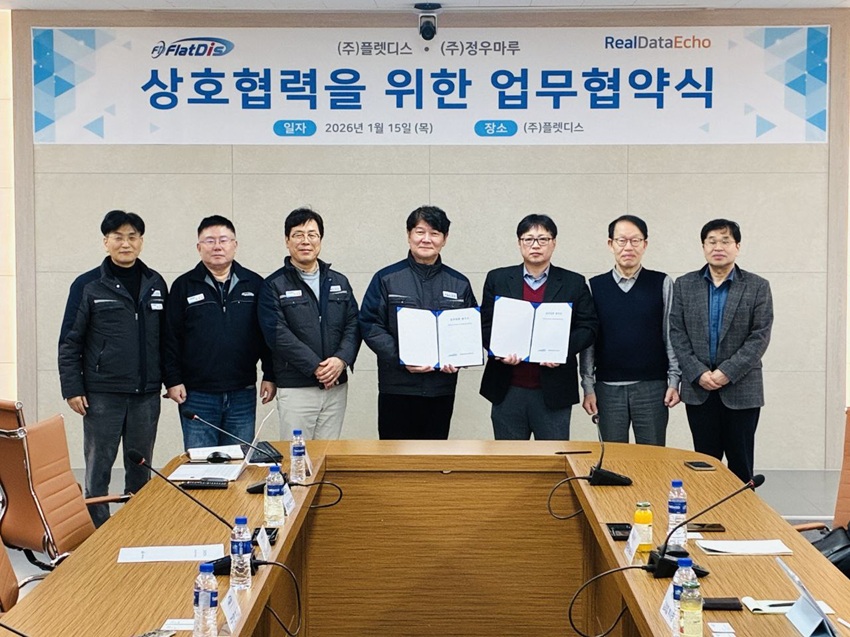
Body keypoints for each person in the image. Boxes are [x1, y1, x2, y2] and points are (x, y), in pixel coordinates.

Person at [58, 210, 168, 527]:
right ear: (106, 242)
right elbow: (70, 341)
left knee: (140, 470)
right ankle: (98, 535)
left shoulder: (156, 283)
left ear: (141, 242)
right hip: (102, 395)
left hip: (146, 395)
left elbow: (167, 339)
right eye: (118, 237)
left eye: (132, 237)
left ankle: (136, 530)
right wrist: (72, 388)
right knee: (98, 471)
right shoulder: (88, 285)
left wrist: (170, 380)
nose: (125, 243)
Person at [359, 205, 477, 440]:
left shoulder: (459, 283)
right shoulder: (386, 278)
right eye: (420, 232)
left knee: (434, 455)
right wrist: (402, 357)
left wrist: (459, 358)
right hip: (397, 387)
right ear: (409, 235)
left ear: (445, 239)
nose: (426, 239)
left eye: (434, 233)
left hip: (440, 389)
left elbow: (470, 332)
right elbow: (370, 324)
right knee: (395, 456)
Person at [669, 219, 773, 482]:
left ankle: (742, 510)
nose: (718, 247)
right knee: (704, 465)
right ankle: (707, 509)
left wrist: (727, 372)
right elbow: (677, 333)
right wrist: (698, 372)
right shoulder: (684, 284)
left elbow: (759, 337)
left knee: (741, 465)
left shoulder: (757, 286)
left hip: (741, 389)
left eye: (726, 241)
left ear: (737, 246)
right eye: (712, 241)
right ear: (703, 246)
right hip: (699, 389)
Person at [479, 214, 598, 440]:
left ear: (554, 243)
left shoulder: (573, 282)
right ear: (519, 243)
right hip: (507, 388)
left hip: (553, 391)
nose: (535, 245)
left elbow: (588, 327)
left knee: (554, 457)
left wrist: (561, 350)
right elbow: (485, 324)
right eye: (529, 239)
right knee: (510, 457)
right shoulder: (498, 279)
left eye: (543, 239)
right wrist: (499, 350)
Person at [162, 215, 275, 450]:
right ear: (198, 247)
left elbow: (268, 335)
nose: (217, 246)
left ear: (235, 245)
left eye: (223, 240)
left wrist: (270, 374)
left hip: (242, 392)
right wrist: (173, 380)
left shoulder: (254, 284)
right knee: (201, 463)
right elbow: (170, 337)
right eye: (210, 240)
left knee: (238, 460)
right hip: (196, 394)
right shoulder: (183, 286)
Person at [259, 208, 361, 440]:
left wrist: (341, 360)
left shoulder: (339, 281)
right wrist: (316, 367)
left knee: (327, 453)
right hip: (296, 386)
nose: (306, 241)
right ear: (287, 240)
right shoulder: (274, 285)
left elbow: (354, 324)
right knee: (297, 453)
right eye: (298, 234)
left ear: (320, 240)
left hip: (336, 385)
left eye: (312, 235)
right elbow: (277, 334)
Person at [580, 215, 681, 446]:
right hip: (607, 389)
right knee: (614, 459)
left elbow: (671, 335)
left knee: (653, 458)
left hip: (653, 387)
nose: (628, 247)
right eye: (621, 240)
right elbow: (588, 343)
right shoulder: (594, 286)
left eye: (635, 240)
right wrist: (588, 387)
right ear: (610, 244)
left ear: (645, 244)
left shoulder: (662, 282)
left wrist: (674, 381)